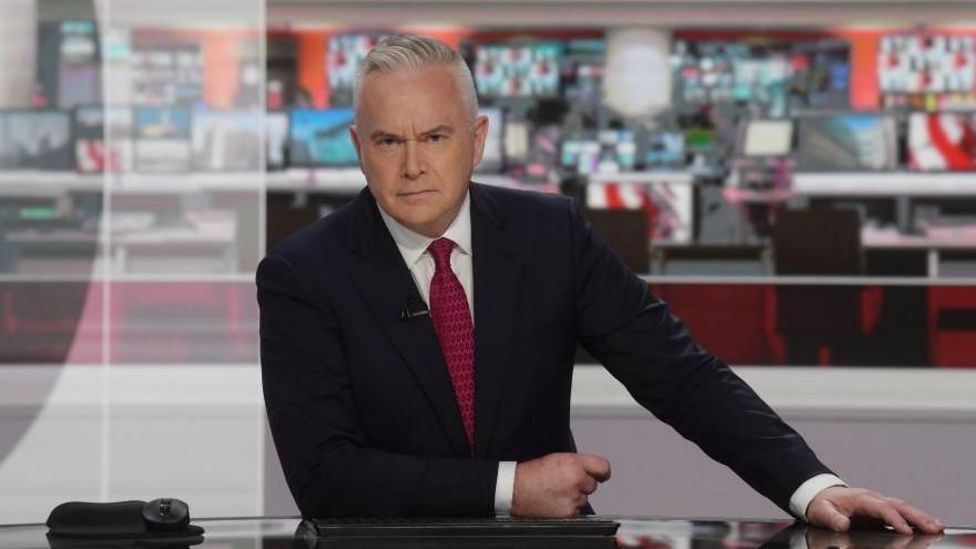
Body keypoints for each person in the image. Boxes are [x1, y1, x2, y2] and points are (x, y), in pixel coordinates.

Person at [257, 34, 943, 534]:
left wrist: (814, 486)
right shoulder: (301, 275)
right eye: (388, 141)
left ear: (477, 137)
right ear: (356, 145)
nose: (412, 166)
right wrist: (511, 487)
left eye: (434, 137)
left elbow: (681, 375)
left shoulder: (548, 234)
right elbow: (323, 473)